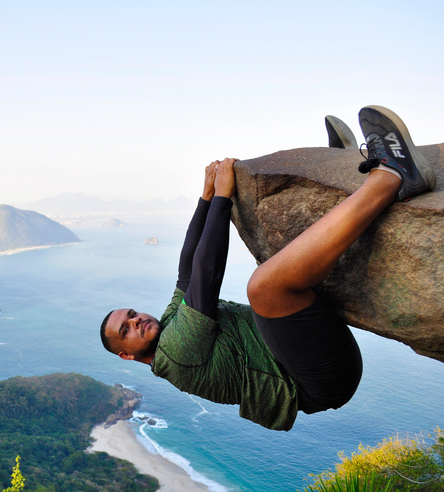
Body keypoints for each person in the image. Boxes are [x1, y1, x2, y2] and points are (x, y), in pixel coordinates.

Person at [99, 105, 437, 431]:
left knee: (286, 258)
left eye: (130, 314)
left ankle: (347, 183)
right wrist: (223, 198)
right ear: (127, 356)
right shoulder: (176, 355)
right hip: (317, 380)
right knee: (265, 287)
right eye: (126, 330)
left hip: (306, 353)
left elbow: (186, 270)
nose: (135, 320)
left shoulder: (169, 325)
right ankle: (393, 177)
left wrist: (205, 198)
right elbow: (206, 274)